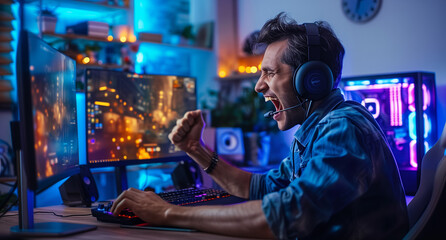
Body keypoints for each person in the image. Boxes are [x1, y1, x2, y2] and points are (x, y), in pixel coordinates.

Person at [111, 12, 409, 239]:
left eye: (269, 72)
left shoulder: (344, 129)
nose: (258, 86)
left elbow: (286, 215)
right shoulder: (319, 128)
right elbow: (263, 188)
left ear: (311, 79)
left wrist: (165, 212)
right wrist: (196, 150)